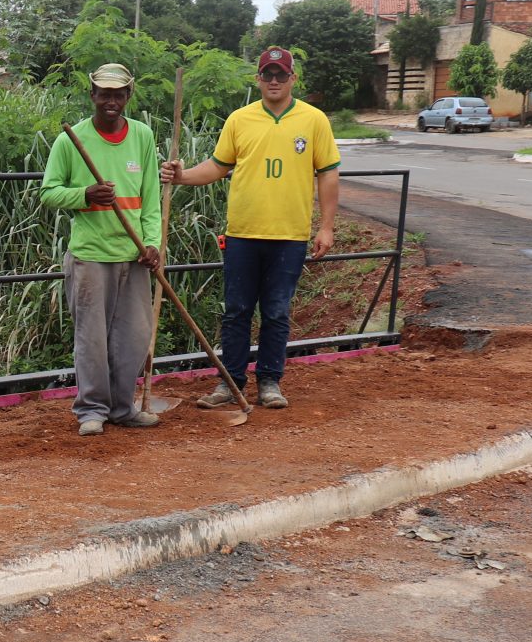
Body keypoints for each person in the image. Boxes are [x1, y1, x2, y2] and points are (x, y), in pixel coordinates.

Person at [159, 46, 340, 410]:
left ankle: (270, 382)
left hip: (288, 236)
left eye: (281, 75)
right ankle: (230, 382)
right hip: (242, 233)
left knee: (276, 311)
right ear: (258, 79)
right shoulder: (239, 120)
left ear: (293, 78)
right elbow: (216, 167)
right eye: (267, 74)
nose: (274, 81)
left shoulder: (314, 119)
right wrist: (180, 176)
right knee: (237, 310)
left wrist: (326, 228)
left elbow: (329, 174)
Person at [39, 63, 163, 436]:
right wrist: (84, 194)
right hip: (90, 255)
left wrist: (153, 243)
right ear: (92, 95)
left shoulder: (141, 136)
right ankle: (91, 410)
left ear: (128, 96)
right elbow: (48, 193)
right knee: (91, 339)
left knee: (134, 337)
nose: (111, 100)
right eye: (104, 93)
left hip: (135, 255)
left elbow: (151, 200)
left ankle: (123, 408)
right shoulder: (71, 140)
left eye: (118, 94)